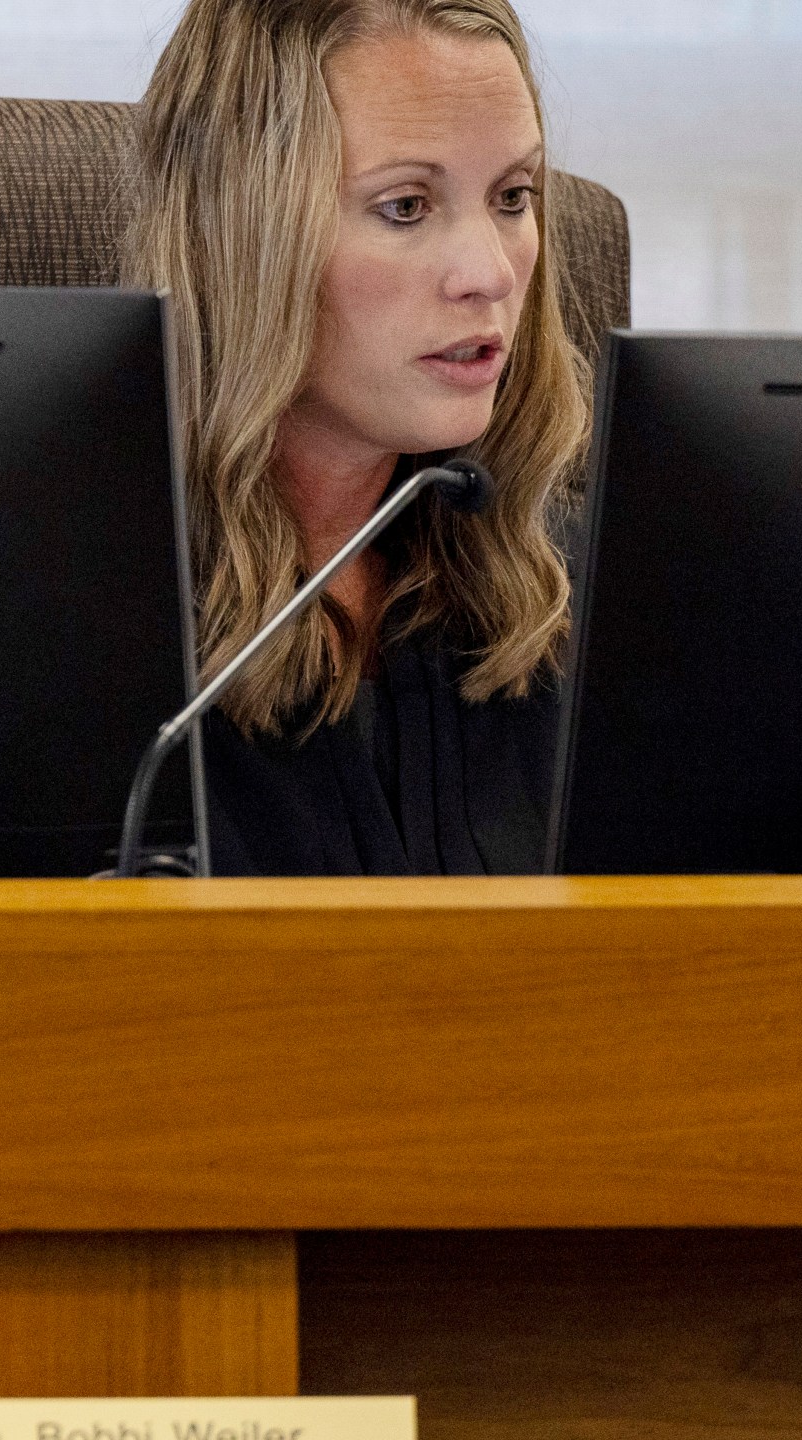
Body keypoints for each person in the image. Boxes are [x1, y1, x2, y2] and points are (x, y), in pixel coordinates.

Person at [126, 0, 591, 875]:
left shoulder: (577, 596)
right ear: (244, 235)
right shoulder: (75, 615)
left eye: (513, 197)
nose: (491, 272)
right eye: (407, 205)